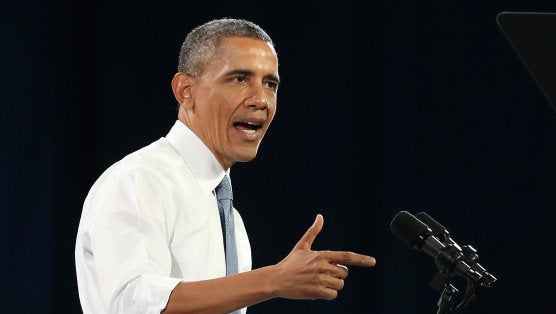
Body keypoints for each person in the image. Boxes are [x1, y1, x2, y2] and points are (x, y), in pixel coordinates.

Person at [75, 18, 376, 313]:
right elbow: (134, 304)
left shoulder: (230, 218)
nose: (261, 99)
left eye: (270, 83)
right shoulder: (140, 180)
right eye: (239, 79)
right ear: (185, 91)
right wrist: (274, 278)